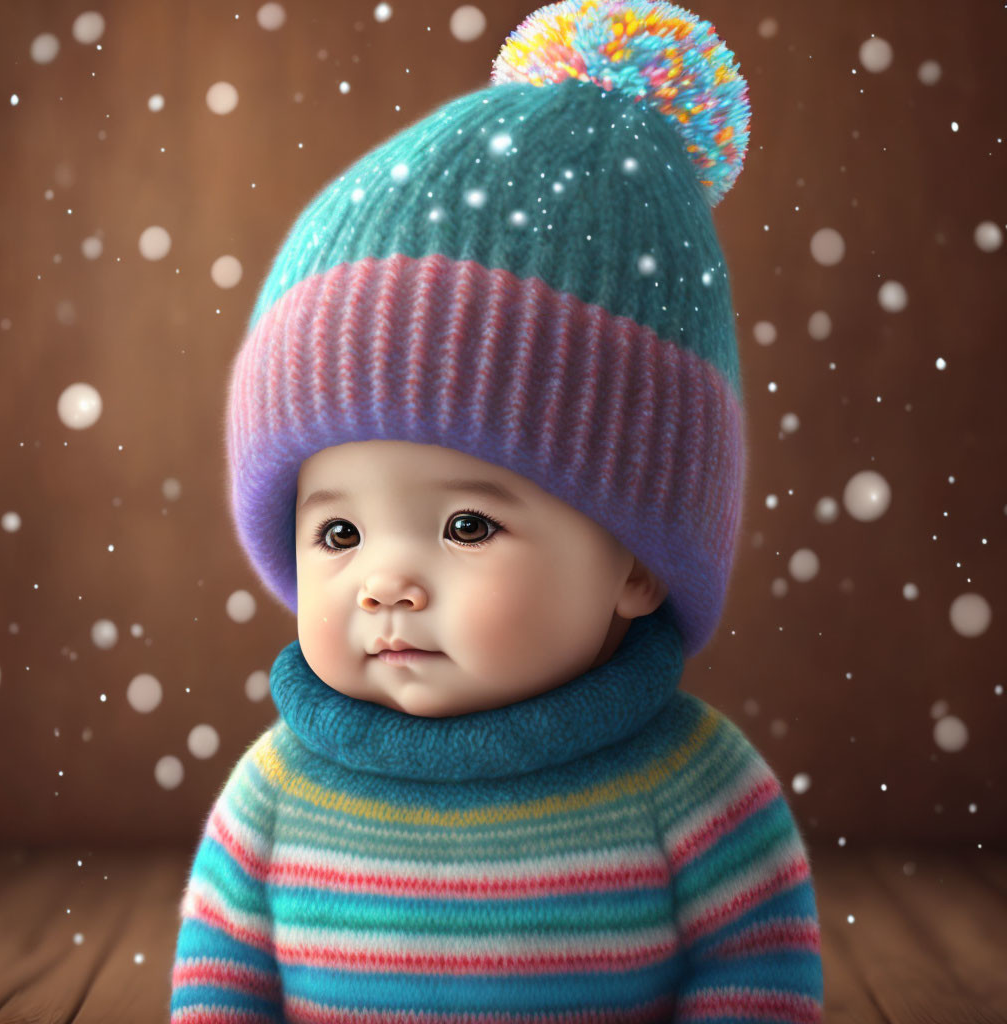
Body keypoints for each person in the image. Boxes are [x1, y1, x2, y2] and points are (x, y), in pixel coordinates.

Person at [171, 1, 824, 1019]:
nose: (384, 580)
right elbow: (224, 979)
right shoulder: (281, 788)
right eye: (337, 532)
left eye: (467, 525)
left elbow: (757, 970)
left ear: (637, 561)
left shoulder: (689, 787)